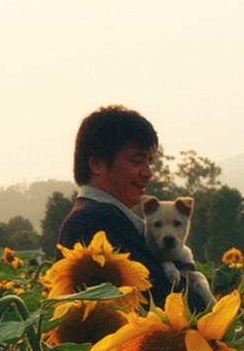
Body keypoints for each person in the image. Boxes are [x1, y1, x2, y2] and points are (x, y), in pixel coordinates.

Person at [57, 105, 209, 313]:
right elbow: (164, 299)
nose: (148, 173)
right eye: (137, 161)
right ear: (97, 164)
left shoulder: (97, 215)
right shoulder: (98, 221)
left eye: (150, 161)